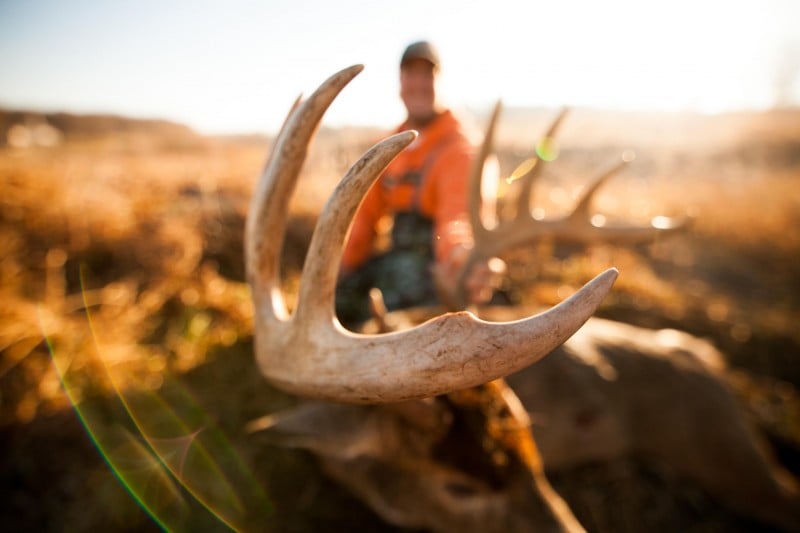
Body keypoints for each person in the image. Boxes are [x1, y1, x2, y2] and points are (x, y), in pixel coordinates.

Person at [335, 41, 494, 327]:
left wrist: (459, 255)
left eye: (428, 75)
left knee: (394, 314)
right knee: (338, 301)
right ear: (400, 82)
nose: (419, 84)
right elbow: (363, 217)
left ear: (440, 81)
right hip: (396, 258)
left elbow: (456, 218)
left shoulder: (459, 148)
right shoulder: (389, 146)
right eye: (411, 74)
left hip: (434, 267)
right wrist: (341, 267)